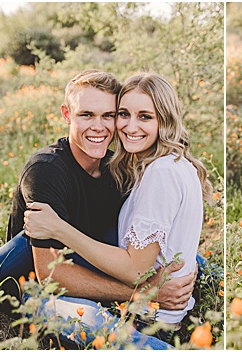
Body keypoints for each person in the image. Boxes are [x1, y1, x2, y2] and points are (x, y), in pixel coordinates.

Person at [25, 73, 213, 346]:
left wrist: (60, 230)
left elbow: (136, 270)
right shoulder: (171, 164)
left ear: (165, 119)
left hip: (151, 318)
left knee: (91, 321)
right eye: (124, 114)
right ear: (68, 115)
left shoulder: (158, 172)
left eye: (145, 116)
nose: (130, 126)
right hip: (158, 310)